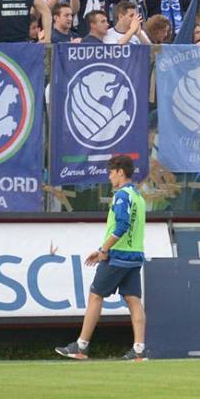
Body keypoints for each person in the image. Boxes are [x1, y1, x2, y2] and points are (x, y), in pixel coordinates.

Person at [57, 154, 148, 360]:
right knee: (133, 300)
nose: (109, 176)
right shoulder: (138, 197)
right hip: (135, 256)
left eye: (111, 172)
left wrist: (103, 251)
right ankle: (139, 350)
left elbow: (122, 226)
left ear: (120, 172)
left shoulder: (122, 196)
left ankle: (81, 346)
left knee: (95, 295)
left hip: (117, 256)